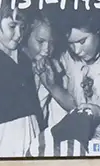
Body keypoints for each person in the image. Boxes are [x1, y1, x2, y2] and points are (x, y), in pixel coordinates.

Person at [0, 2, 43, 158]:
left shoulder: (24, 58)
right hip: (3, 140)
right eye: (12, 26)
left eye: (22, 28)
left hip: (31, 133)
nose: (18, 34)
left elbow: (34, 104)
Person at [55, 12, 100, 156]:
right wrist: (52, 86)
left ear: (98, 31)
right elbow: (75, 106)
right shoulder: (69, 59)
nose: (76, 50)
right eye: (71, 44)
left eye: (82, 41)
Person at [21, 14, 74, 157]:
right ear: (25, 36)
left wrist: (52, 83)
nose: (46, 49)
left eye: (51, 43)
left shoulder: (54, 67)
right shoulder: (17, 66)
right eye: (40, 41)